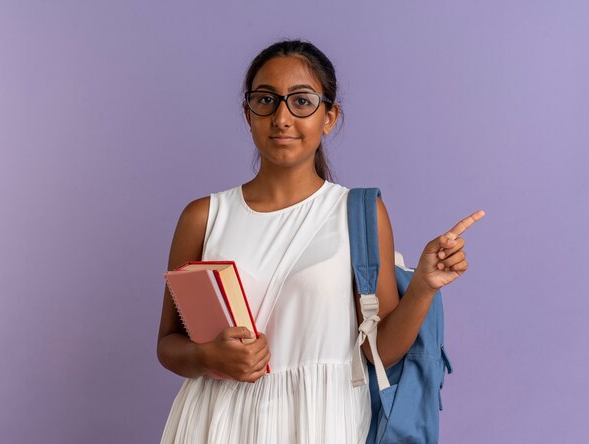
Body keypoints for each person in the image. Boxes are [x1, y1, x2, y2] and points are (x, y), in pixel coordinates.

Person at [156, 39, 484, 444]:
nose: (282, 117)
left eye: (302, 101)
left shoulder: (359, 213)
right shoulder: (203, 216)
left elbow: (379, 351)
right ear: (248, 114)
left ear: (329, 116)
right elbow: (168, 344)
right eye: (266, 100)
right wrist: (206, 356)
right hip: (214, 422)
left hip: (321, 422)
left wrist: (423, 286)